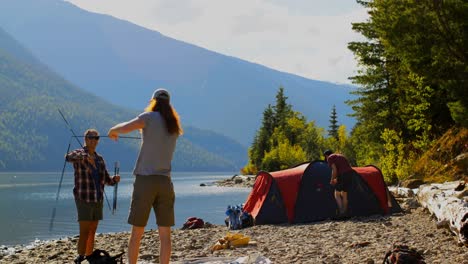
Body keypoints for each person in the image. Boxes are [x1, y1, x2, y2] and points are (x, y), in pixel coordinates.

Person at [107, 88, 182, 264]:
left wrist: (112, 130)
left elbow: (125, 127)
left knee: (136, 234)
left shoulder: (148, 117)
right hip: (165, 182)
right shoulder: (174, 125)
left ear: (153, 101)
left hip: (145, 181)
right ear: (168, 104)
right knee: (165, 236)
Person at [65, 129, 120, 264]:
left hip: (97, 199)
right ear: (85, 138)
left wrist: (114, 180)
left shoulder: (99, 159)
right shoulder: (79, 153)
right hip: (84, 198)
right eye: (90, 137)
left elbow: (106, 180)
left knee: (93, 229)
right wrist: (84, 157)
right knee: (84, 230)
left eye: (96, 138)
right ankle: (80, 257)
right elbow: (68, 158)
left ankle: (89, 255)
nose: (93, 140)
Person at [323, 150, 353, 218]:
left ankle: (341, 213)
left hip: (343, 174)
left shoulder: (330, 158)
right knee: (344, 194)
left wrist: (332, 179)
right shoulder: (340, 155)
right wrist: (337, 178)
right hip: (350, 174)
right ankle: (345, 213)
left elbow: (334, 170)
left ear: (326, 155)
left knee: (336, 193)